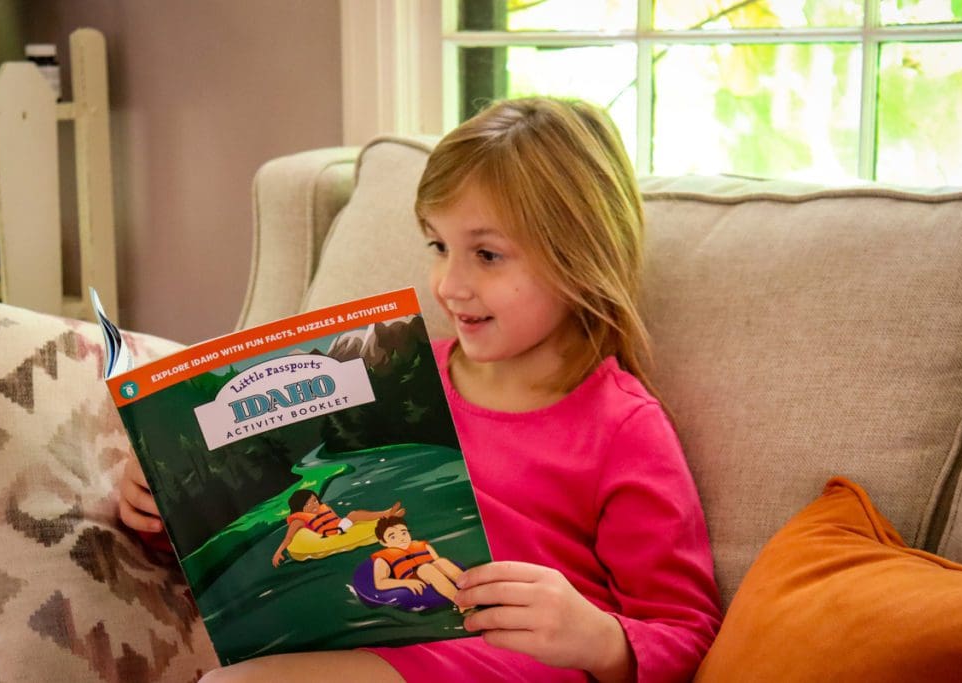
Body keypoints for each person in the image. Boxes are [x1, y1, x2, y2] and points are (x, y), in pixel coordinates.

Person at [121, 96, 722, 682]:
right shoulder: (390, 376)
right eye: (438, 246)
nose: (448, 283)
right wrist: (169, 507)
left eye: (487, 254)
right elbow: (271, 552)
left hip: (505, 663)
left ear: (579, 257)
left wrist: (595, 636)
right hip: (372, 638)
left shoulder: (622, 427)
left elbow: (687, 634)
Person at [271, 490, 404, 568]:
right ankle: (387, 515)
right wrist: (278, 552)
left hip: (339, 528)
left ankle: (387, 514)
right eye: (308, 504)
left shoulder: (325, 507)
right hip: (329, 535)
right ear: (300, 507)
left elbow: (336, 519)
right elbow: (288, 538)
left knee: (353, 515)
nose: (314, 505)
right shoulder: (299, 520)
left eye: (315, 500)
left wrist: (346, 527)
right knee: (353, 515)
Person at [370, 515, 467, 613]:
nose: (401, 539)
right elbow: (380, 582)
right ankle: (462, 603)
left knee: (441, 562)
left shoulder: (421, 545)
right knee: (426, 568)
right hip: (413, 577)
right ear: (383, 542)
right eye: (393, 536)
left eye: (404, 533)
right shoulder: (382, 558)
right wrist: (407, 583)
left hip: (432, 573)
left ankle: (469, 586)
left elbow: (437, 561)